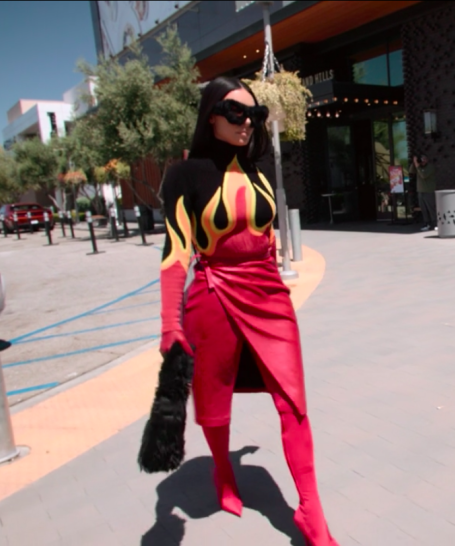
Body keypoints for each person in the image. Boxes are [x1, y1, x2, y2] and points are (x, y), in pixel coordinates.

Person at [158, 76, 339, 546]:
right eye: (236, 113)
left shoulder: (258, 171)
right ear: (211, 116)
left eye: (255, 115)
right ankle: (222, 472)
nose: (247, 123)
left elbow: (267, 238)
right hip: (213, 296)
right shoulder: (185, 175)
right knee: (213, 402)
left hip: (268, 295)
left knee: (293, 402)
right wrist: (169, 322)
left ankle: (311, 513)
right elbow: (176, 252)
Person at [412, 154, 437, 231]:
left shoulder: (430, 167)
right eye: (421, 159)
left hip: (429, 191)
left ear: (427, 160)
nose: (422, 161)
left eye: (424, 159)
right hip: (420, 191)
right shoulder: (419, 167)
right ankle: (427, 224)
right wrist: (414, 163)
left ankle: (435, 224)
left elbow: (423, 175)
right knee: (424, 209)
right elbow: (411, 171)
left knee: (431, 208)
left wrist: (417, 166)